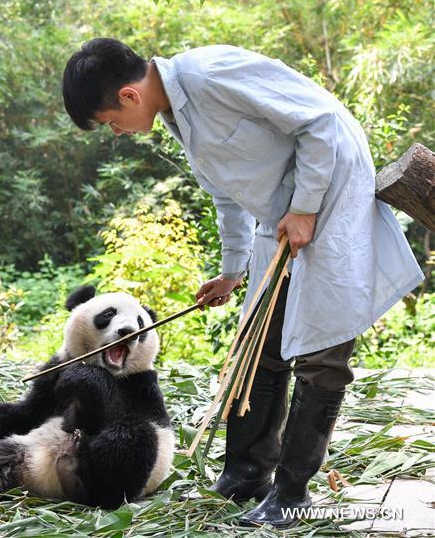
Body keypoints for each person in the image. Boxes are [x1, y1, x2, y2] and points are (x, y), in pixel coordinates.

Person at [62, 38, 423, 528]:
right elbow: (227, 195)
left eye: (110, 123)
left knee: (321, 356)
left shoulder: (211, 74)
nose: (118, 132)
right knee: (260, 340)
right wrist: (232, 270)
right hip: (282, 216)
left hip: (330, 195)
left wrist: (306, 207)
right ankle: (246, 474)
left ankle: (292, 492)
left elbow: (320, 123)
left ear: (128, 96)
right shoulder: (176, 115)